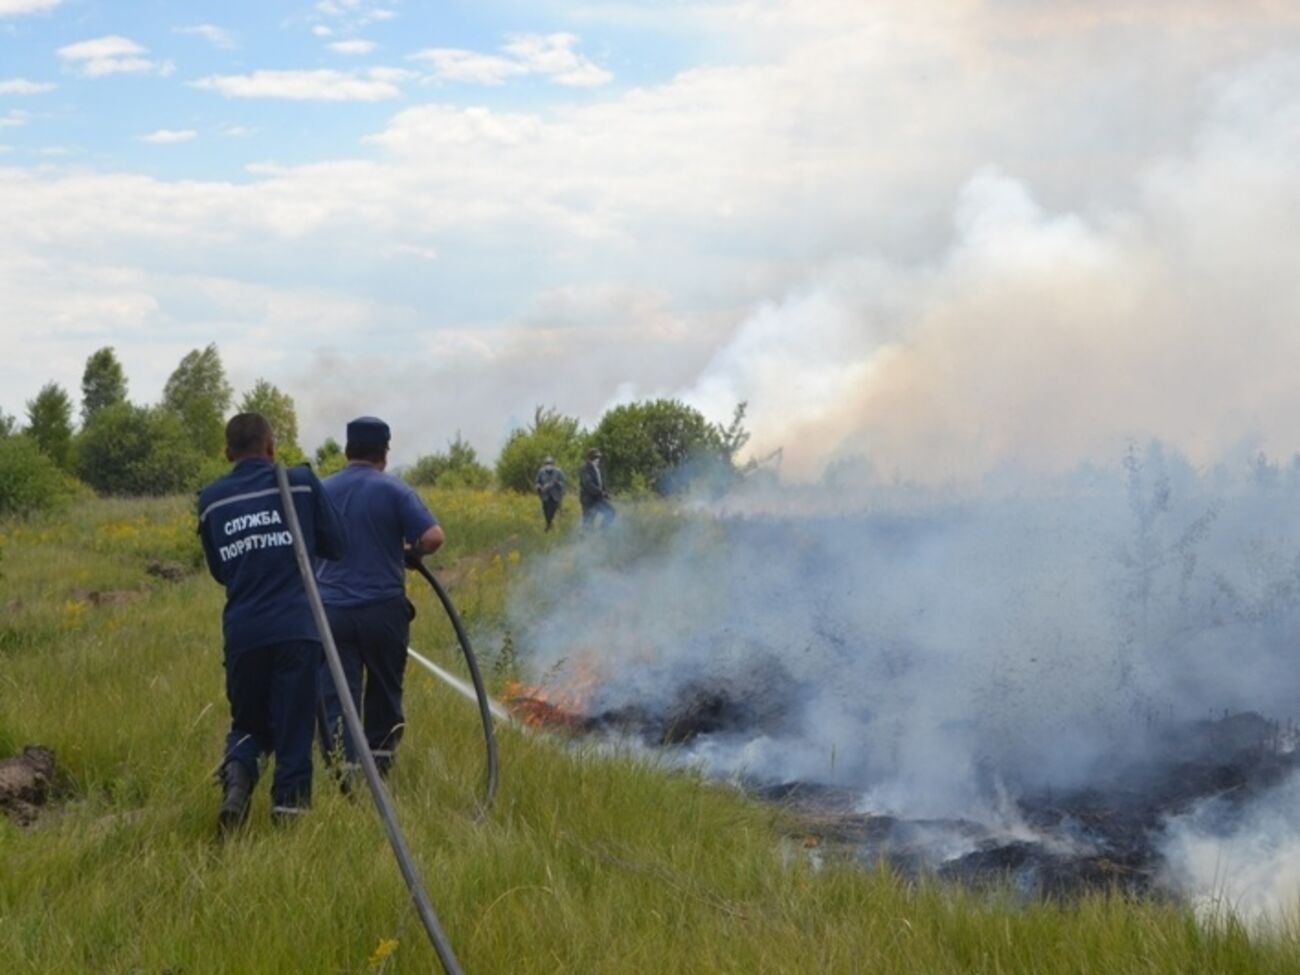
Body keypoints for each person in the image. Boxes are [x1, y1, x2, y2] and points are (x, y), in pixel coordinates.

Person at [197, 413, 346, 832]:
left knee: (248, 724)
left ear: (228, 453)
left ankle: (238, 781)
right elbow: (338, 544)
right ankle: (289, 819)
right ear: (271, 446)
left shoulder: (211, 499)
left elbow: (220, 571)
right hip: (297, 629)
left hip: (244, 633)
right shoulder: (300, 482)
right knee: (294, 729)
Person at [315, 416, 444, 782]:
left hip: (331, 612)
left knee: (338, 692)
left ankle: (344, 770)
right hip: (382, 612)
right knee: (385, 690)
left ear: (347, 450)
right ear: (384, 453)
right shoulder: (394, 490)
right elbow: (433, 537)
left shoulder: (321, 490)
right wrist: (412, 552)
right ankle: (380, 765)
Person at [578, 447, 616, 529]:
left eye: (598, 457)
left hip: (598, 499)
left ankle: (602, 531)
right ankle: (585, 536)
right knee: (588, 522)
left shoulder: (598, 469)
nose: (597, 459)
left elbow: (601, 483)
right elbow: (588, 484)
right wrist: (601, 492)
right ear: (589, 458)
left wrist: (606, 493)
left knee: (611, 512)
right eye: (595, 457)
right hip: (588, 500)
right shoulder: (584, 468)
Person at [535, 455, 567, 531]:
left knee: (552, 511)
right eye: (547, 463)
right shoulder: (541, 472)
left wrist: (557, 483)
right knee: (546, 511)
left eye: (550, 463)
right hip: (545, 495)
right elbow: (537, 482)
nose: (548, 465)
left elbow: (563, 482)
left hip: (555, 496)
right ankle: (549, 524)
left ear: (553, 464)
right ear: (544, 464)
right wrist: (540, 487)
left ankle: (549, 525)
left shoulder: (558, 472)